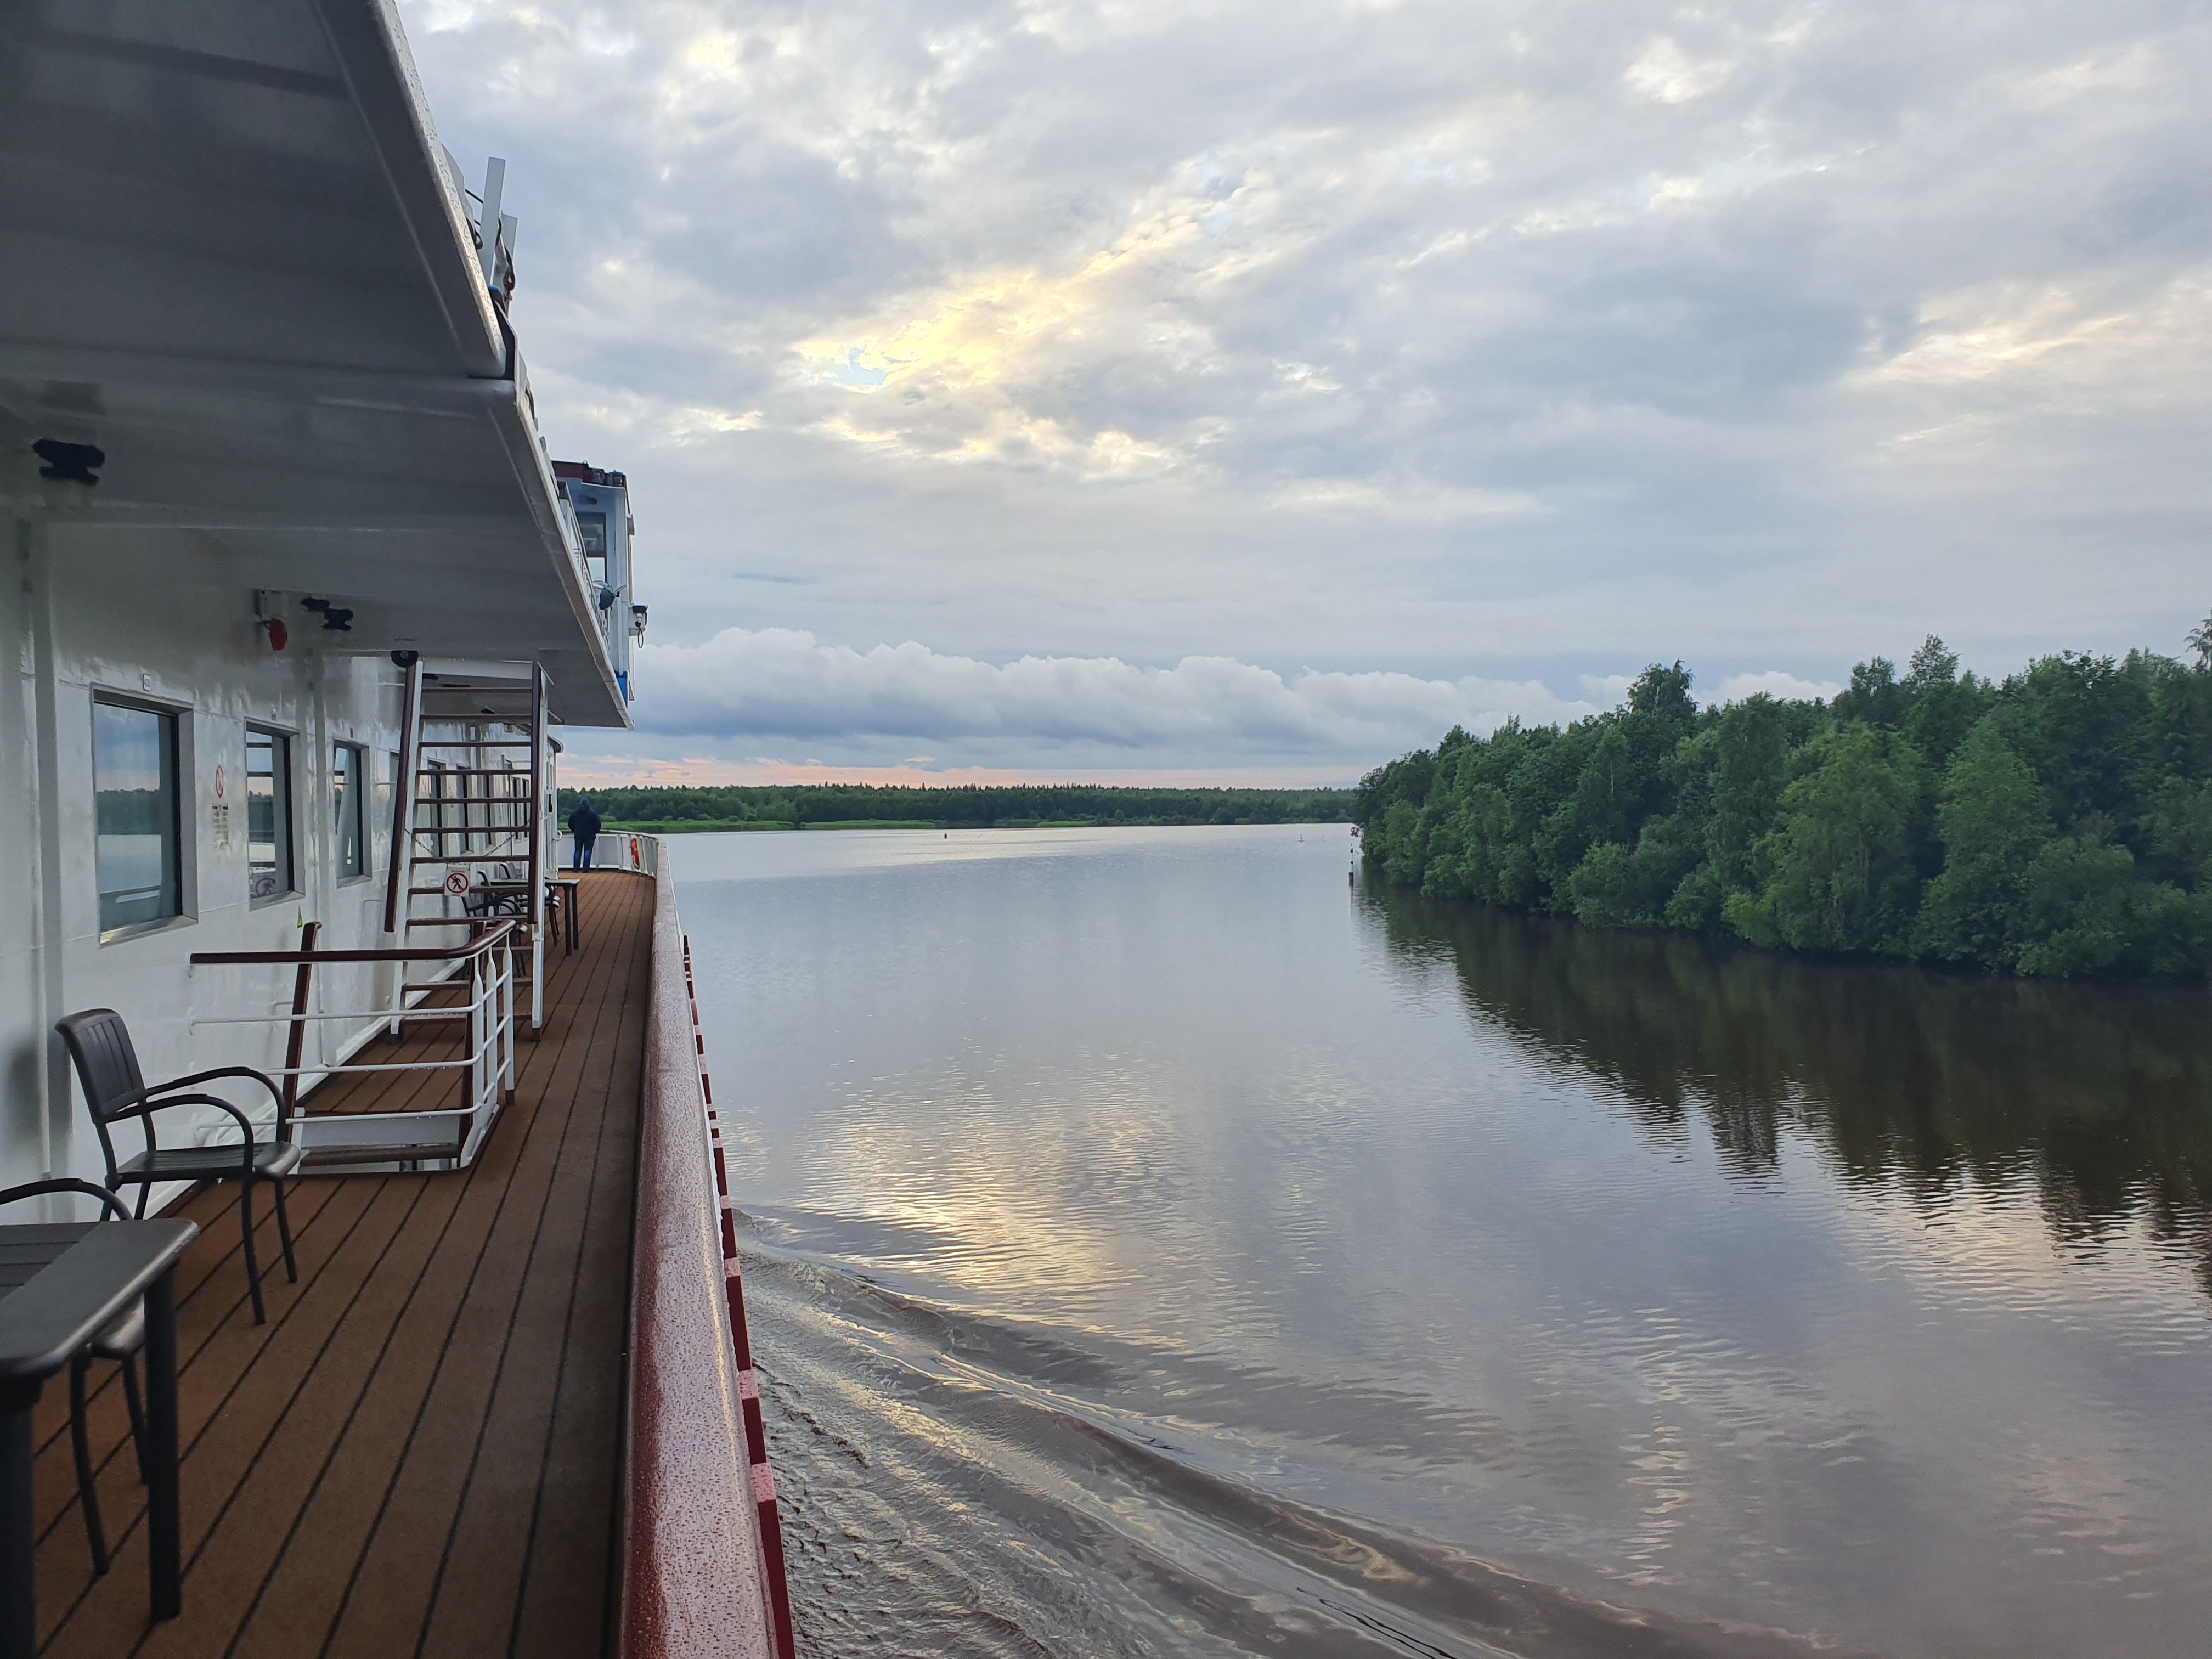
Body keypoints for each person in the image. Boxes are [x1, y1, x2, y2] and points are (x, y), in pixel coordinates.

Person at [568, 795, 602, 871]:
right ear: (588, 804)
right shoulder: (593, 814)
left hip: (578, 835)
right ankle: (586, 868)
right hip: (590, 836)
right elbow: (598, 825)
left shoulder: (575, 814)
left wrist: (575, 830)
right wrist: (594, 832)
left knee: (578, 851)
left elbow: (570, 824)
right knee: (588, 851)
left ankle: (576, 868)